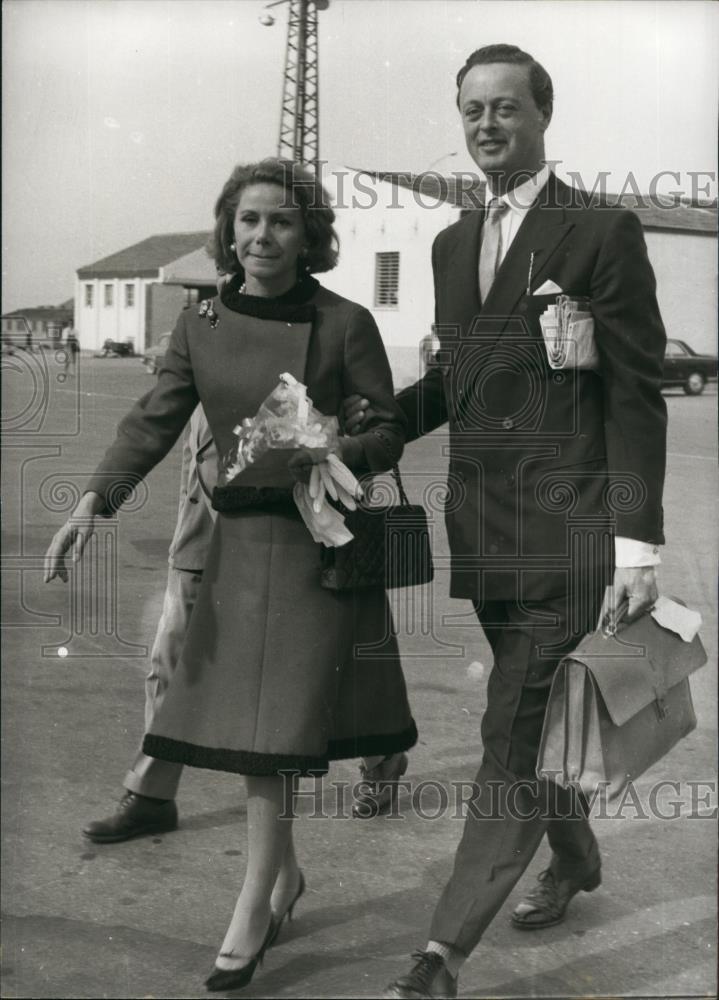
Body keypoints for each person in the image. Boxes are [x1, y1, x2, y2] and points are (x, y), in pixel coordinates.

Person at [45, 157, 418, 992]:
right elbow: (152, 421)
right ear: (228, 229)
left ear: (308, 233)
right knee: (260, 733)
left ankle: (253, 901)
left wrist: (326, 446)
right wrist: (90, 504)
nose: (261, 237)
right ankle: (281, 880)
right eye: (248, 220)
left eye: (281, 221)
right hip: (237, 549)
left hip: (313, 548)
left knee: (274, 734)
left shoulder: (343, 320)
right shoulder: (201, 322)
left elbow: (387, 429)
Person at [346, 44, 667, 999]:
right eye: (472, 111)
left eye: (506, 109)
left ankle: (442, 950)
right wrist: (364, 440)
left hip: (568, 535)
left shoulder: (599, 231)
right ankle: (572, 859)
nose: (488, 126)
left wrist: (635, 541)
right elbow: (456, 382)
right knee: (537, 728)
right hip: (481, 531)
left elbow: (635, 396)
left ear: (542, 115)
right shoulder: (453, 245)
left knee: (510, 728)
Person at [83, 401, 409, 843]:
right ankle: (151, 795)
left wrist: (333, 422)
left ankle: (380, 752)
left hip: (281, 517)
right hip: (203, 515)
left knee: (317, 656)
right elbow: (158, 411)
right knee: (173, 656)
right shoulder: (198, 330)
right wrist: (95, 497)